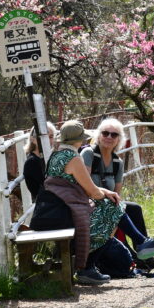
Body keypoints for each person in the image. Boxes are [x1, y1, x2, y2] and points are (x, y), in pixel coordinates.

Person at [30, 120, 124, 285]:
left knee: (111, 207)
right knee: (114, 210)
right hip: (67, 213)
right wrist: (106, 195)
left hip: (53, 210)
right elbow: (92, 192)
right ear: (78, 140)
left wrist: (106, 192)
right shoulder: (73, 158)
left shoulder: (56, 155)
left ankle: (140, 243)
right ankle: (87, 267)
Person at [81, 118, 154, 269]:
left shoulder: (117, 162)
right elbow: (85, 185)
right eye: (105, 133)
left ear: (119, 139)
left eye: (114, 135)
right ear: (99, 135)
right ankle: (142, 248)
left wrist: (114, 204)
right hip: (88, 203)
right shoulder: (89, 153)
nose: (109, 137)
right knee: (115, 207)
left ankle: (145, 253)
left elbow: (117, 194)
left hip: (107, 204)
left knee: (134, 208)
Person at [22, 122, 56, 199]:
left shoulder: (48, 157)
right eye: (44, 137)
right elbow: (49, 185)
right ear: (33, 140)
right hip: (47, 202)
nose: (48, 141)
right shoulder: (32, 162)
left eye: (51, 137)